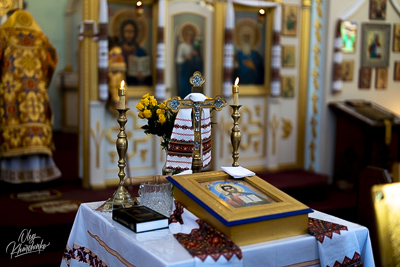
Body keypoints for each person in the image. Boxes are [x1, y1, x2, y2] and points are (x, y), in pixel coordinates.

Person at [0, 9, 61, 183]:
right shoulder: (40, 38)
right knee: (37, 132)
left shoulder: (4, 34)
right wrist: (42, 81)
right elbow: (52, 60)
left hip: (10, 93)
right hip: (37, 93)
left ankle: (11, 175)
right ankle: (39, 173)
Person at [119, 19, 151, 86]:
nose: (129, 34)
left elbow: (148, 77)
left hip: (135, 85)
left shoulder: (141, 52)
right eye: (127, 31)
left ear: (135, 33)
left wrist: (142, 77)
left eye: (132, 31)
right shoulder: (118, 50)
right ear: (122, 32)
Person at [175, 24, 203, 98]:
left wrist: (196, 55)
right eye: (188, 35)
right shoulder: (182, 46)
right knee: (184, 89)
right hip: (184, 72)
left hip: (192, 71)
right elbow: (178, 60)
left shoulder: (194, 46)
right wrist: (185, 58)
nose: (190, 37)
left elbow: (199, 61)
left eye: (191, 35)